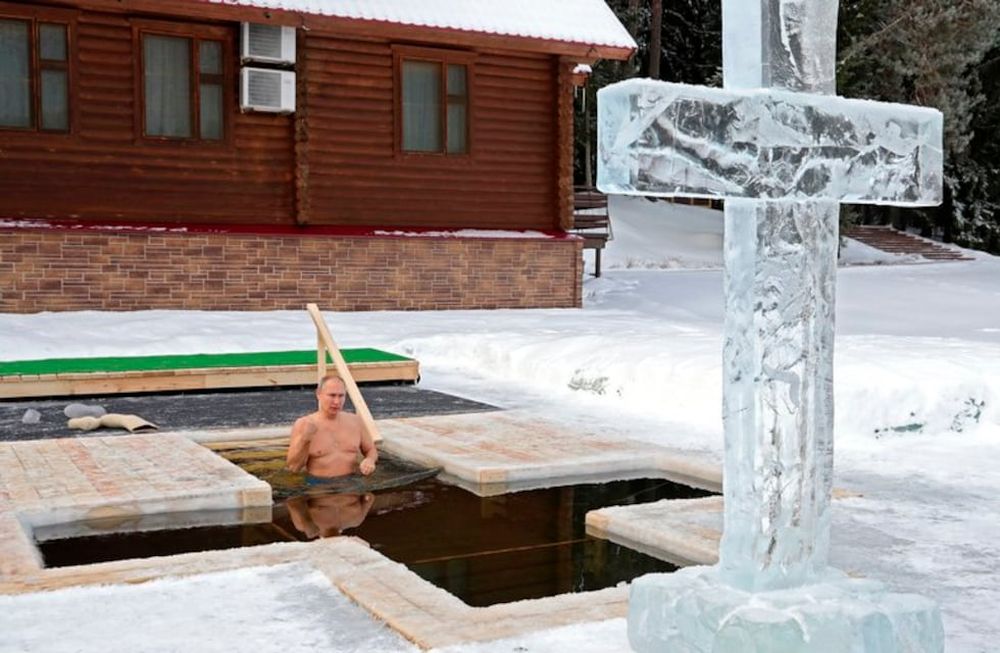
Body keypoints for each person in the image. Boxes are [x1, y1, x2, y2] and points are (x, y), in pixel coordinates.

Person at [286, 374, 378, 479]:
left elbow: (371, 449)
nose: (337, 402)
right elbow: (293, 468)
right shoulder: (304, 424)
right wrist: (305, 439)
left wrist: (369, 460)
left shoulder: (355, 421)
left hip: (351, 482)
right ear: (318, 394)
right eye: (332, 395)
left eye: (341, 396)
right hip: (319, 486)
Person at [286, 492, 375, 539]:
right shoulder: (356, 520)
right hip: (349, 478)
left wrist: (307, 521)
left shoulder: (303, 525)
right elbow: (370, 497)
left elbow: (292, 500)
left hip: (319, 481)